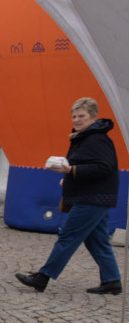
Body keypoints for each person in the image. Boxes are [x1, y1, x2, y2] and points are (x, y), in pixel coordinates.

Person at [16, 97, 122, 294]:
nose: (76, 120)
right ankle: (112, 280)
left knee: (68, 236)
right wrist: (71, 176)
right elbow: (90, 167)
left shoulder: (96, 138)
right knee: (96, 240)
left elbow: (104, 167)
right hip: (95, 196)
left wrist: (71, 171)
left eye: (81, 116)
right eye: (74, 116)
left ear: (93, 117)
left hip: (92, 198)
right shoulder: (86, 137)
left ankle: (42, 277)